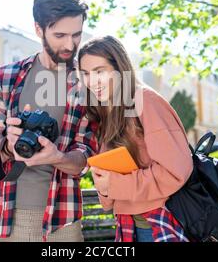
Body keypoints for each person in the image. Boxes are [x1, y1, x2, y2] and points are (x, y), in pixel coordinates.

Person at [0, 0, 98, 242]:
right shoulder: (5, 77)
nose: (69, 44)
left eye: (77, 35)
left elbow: (86, 156)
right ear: (38, 29)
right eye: (60, 35)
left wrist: (58, 157)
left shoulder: (88, 84)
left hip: (61, 220)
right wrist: (9, 146)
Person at [78, 35, 193, 242]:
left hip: (159, 224)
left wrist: (113, 185)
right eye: (85, 74)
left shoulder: (145, 100)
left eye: (99, 72)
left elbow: (175, 172)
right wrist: (104, 184)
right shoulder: (107, 112)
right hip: (128, 225)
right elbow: (111, 192)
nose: (91, 81)